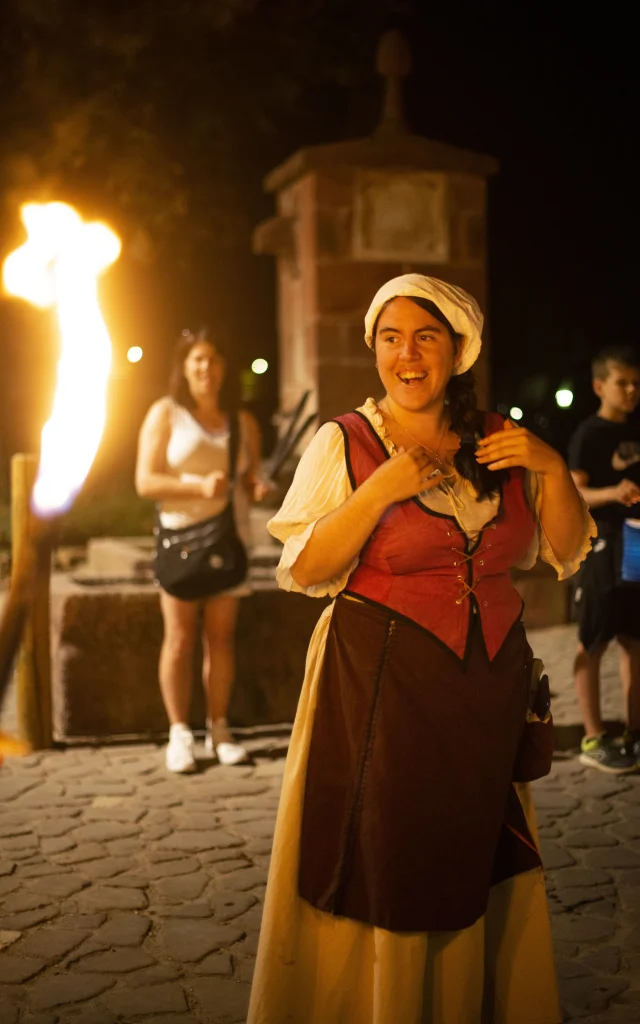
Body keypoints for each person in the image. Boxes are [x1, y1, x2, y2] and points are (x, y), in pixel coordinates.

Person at [247, 274, 594, 1024]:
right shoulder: (345, 440)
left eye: (425, 337)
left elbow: (564, 553)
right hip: (380, 688)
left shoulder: (499, 440)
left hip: (484, 693)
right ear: (374, 350)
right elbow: (305, 569)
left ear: (457, 351)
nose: (407, 356)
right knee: (389, 858)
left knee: (477, 852)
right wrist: (379, 492)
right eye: (390, 339)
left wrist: (551, 467)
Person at [136, 327, 263, 772]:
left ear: (224, 367)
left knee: (221, 639)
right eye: (197, 360)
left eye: (213, 359)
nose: (206, 368)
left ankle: (220, 728)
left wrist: (258, 485)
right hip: (181, 541)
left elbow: (249, 478)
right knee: (180, 638)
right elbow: (145, 481)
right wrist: (194, 486)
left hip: (229, 542)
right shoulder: (166, 414)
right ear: (184, 367)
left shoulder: (241, 420)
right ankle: (179, 733)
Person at [568, 346, 640, 773]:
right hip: (598, 545)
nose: (632, 391)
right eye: (622, 382)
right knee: (592, 640)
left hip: (634, 544)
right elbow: (576, 491)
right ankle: (593, 736)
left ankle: (634, 731)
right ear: (600, 386)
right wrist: (613, 493)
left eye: (636, 383)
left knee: (634, 640)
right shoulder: (588, 434)